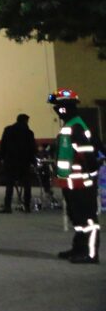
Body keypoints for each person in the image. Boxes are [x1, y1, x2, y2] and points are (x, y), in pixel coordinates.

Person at [49, 89, 101, 264]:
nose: (56, 110)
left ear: (66, 108)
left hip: (82, 183)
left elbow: (88, 154)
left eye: (58, 107)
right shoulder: (70, 125)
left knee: (87, 218)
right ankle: (79, 248)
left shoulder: (76, 126)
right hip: (71, 182)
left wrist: (90, 176)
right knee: (77, 218)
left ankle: (91, 253)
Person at [0, 114, 36, 213]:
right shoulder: (29, 133)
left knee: (9, 185)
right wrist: (33, 162)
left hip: (10, 161)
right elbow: (32, 149)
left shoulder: (8, 130)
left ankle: (7, 206)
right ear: (25, 121)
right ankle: (27, 206)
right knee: (27, 185)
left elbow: (3, 145)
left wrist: (2, 159)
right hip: (24, 162)